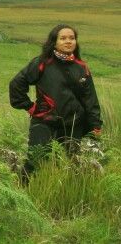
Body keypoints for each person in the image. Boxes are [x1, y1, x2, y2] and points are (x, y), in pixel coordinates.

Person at [9, 24, 102, 180]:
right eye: (63, 38)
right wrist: (30, 107)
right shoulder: (42, 63)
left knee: (71, 162)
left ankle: (63, 193)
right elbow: (17, 84)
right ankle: (21, 191)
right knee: (35, 160)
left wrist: (96, 125)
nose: (68, 41)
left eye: (72, 38)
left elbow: (90, 98)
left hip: (74, 124)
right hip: (45, 121)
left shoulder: (82, 67)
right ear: (54, 42)